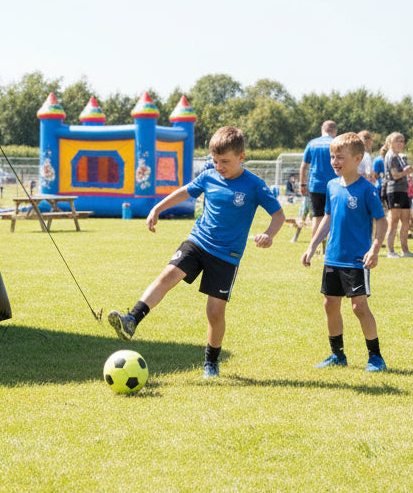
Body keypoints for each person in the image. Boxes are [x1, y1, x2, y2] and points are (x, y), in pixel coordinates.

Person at [108, 126, 285, 378]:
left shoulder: (255, 185)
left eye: (225, 161)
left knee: (214, 311)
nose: (218, 166)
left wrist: (269, 234)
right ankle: (132, 320)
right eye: (214, 160)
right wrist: (157, 208)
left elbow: (278, 215)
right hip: (197, 242)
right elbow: (184, 192)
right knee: (167, 276)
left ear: (241, 157)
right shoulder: (209, 176)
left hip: (227, 256)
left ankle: (211, 362)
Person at [300, 132, 388, 372]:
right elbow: (327, 219)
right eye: (332, 157)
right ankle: (337, 355)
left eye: (340, 157)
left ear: (358, 158)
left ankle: (376, 357)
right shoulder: (330, 185)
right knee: (330, 305)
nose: (334, 162)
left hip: (357, 259)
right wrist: (312, 246)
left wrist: (375, 249)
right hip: (333, 257)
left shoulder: (367, 190)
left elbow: (382, 222)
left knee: (359, 307)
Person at [298, 121, 337, 245]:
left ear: (322, 129)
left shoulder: (312, 143)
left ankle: (313, 246)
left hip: (316, 185)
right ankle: (331, 246)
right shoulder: (335, 143)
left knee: (317, 217)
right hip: (334, 186)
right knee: (334, 217)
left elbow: (304, 167)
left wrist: (302, 184)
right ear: (335, 131)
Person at [381, 132, 413, 257]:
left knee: (405, 220)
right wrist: (405, 172)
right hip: (393, 190)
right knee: (394, 221)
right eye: (398, 141)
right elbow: (395, 175)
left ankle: (405, 250)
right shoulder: (391, 156)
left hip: (403, 190)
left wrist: (407, 171)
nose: (401, 143)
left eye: (402, 141)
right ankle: (390, 251)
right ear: (390, 143)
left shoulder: (400, 157)